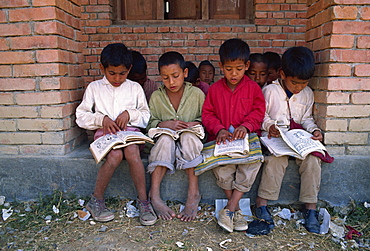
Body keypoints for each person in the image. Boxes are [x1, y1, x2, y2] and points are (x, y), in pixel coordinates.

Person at [76, 43, 157, 226]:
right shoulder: (94, 88)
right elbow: (81, 116)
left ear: (129, 69)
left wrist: (130, 114)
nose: (117, 78)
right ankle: (96, 200)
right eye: (112, 73)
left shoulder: (135, 88)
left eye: (122, 73)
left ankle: (143, 202)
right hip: (105, 136)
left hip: (130, 135)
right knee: (114, 155)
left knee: (132, 152)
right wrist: (101, 120)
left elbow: (145, 115)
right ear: (102, 68)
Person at [255, 46, 323, 234]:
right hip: (275, 138)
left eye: (303, 83)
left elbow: (307, 119)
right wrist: (270, 126)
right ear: (283, 74)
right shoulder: (270, 91)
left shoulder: (308, 93)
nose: (299, 87)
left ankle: (310, 208)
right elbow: (261, 116)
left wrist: (315, 130)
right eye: (294, 83)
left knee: (313, 160)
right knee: (275, 160)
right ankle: (262, 204)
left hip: (297, 139)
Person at [202, 38, 266, 233]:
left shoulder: (253, 89)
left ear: (247, 66)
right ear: (221, 66)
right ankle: (236, 210)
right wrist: (219, 128)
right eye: (229, 69)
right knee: (222, 167)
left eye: (239, 68)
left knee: (252, 164)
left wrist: (246, 126)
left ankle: (229, 208)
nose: (234, 74)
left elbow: (258, 112)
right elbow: (207, 114)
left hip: (246, 139)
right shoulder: (214, 90)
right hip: (223, 140)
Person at [147, 51, 205, 222]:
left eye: (175, 76)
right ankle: (155, 195)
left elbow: (206, 119)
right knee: (165, 139)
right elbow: (149, 122)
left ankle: (193, 192)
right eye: (165, 78)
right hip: (165, 142)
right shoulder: (157, 97)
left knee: (188, 137)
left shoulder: (197, 94)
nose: (171, 82)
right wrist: (164, 124)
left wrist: (193, 124)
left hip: (190, 141)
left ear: (185, 73)